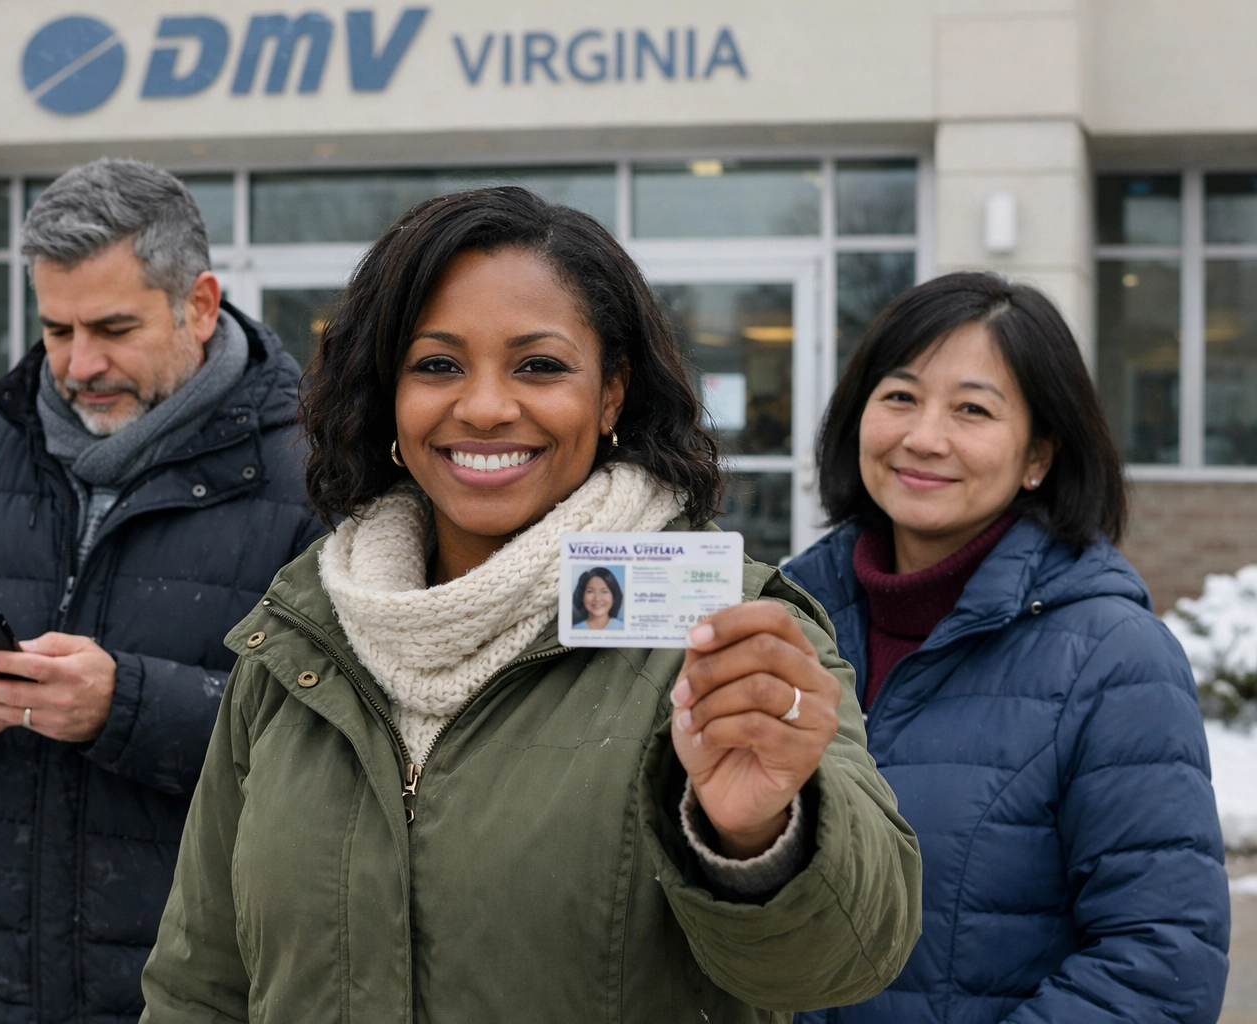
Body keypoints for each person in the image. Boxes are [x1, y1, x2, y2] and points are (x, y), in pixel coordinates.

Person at [140, 186, 921, 1022]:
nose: (482, 407)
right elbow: (201, 982)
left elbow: (843, 962)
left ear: (612, 393)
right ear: (389, 394)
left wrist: (756, 838)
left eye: (539, 366)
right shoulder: (300, 636)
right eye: (437, 364)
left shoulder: (729, 637)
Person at [0, 159, 325, 1024]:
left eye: (114, 328)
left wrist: (123, 707)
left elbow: (342, 744)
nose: (80, 363)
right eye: (57, 330)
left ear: (198, 304)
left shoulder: (318, 477)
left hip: (205, 993)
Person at [782, 273, 1230, 1024]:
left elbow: (1161, 963)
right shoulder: (788, 622)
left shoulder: (1114, 659)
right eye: (899, 397)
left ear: (1038, 456)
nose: (924, 437)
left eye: (972, 410)